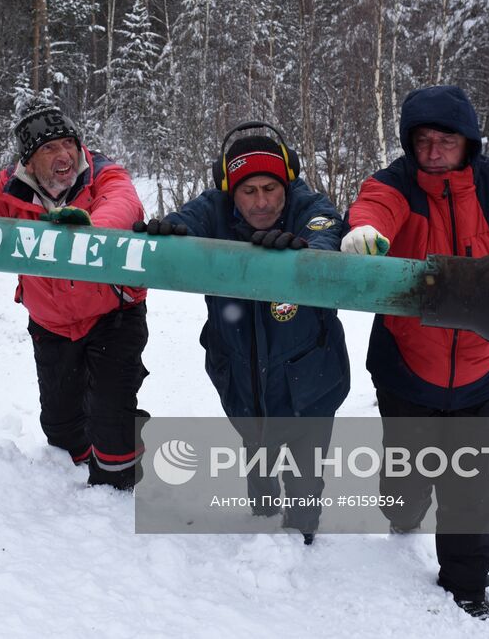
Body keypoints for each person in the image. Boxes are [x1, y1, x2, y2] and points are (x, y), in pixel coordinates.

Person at [340, 85, 489, 619]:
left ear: (469, 142)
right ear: (410, 143)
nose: (436, 150)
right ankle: (402, 510)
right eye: (424, 140)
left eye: (447, 139)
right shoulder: (394, 185)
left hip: (483, 373)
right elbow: (375, 207)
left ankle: (467, 585)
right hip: (406, 369)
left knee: (471, 484)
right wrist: (366, 231)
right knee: (408, 473)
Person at [136, 123, 350, 543]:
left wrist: (303, 252)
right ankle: (261, 507)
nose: (262, 202)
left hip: (308, 376)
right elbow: (189, 219)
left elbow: (327, 231)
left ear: (286, 183)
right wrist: (173, 235)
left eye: (270, 188)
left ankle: (301, 537)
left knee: (305, 470)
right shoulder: (216, 208)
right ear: (230, 191)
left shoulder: (310, 206)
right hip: (239, 371)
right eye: (248, 191)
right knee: (256, 445)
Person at [0, 106, 149, 489]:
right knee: (62, 430)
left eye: (69, 143)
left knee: (111, 427)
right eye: (50, 148)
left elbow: (123, 205)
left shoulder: (103, 173)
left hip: (112, 314)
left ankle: (117, 491)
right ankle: (83, 463)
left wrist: (89, 231)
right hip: (50, 323)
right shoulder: (9, 187)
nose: (65, 155)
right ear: (29, 161)